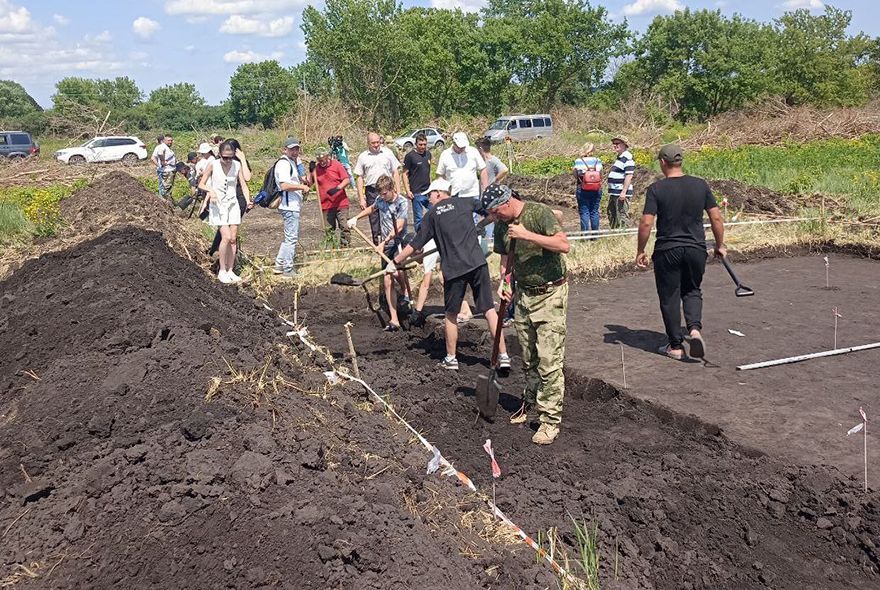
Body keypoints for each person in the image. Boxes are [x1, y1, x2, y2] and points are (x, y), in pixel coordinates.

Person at [392, 178, 510, 371]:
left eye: (430, 195)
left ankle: (451, 359)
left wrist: (395, 261)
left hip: (455, 269)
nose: (429, 199)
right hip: (477, 263)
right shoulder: (466, 202)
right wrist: (483, 224)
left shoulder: (432, 215)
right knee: (489, 310)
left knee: (451, 314)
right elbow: (492, 212)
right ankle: (504, 356)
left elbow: (415, 244)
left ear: (439, 193)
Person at [485, 183, 570, 445]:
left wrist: (527, 235)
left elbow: (563, 244)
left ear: (508, 202)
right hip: (523, 294)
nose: (494, 218)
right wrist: (505, 282)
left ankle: (549, 420)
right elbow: (505, 261)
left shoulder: (538, 213)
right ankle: (530, 401)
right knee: (529, 357)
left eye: (496, 212)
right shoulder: (502, 225)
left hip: (550, 293)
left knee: (549, 360)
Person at [636, 144, 726, 361]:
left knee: (669, 296)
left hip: (668, 250)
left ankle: (675, 346)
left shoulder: (656, 189)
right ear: (680, 161)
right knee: (692, 290)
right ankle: (694, 330)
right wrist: (720, 245)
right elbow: (716, 217)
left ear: (662, 163)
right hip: (696, 249)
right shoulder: (700, 185)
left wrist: (640, 250)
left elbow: (646, 223)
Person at [347, 175, 409, 331]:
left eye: (384, 193)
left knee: (396, 273)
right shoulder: (381, 200)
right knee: (388, 280)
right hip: (387, 246)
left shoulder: (401, 202)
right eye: (380, 194)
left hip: (399, 244)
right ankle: (394, 320)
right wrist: (356, 217)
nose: (382, 197)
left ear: (392, 189)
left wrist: (383, 242)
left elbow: (399, 227)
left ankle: (406, 293)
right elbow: (372, 208)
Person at [198, 141, 250, 284]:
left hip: (232, 203)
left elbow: (244, 185)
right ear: (219, 155)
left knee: (233, 238)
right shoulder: (213, 165)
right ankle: (222, 270)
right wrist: (211, 191)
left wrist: (248, 200)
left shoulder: (237, 165)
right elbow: (201, 184)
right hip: (218, 205)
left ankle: (230, 269)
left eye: (230, 157)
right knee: (225, 237)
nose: (227, 161)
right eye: (225, 157)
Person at [208, 139, 252, 260]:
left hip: (238, 198)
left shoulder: (239, 163)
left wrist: (242, 159)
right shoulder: (219, 164)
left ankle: (229, 256)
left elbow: (247, 179)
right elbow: (211, 182)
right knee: (223, 229)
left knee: (232, 232)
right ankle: (217, 250)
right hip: (223, 198)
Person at [354, 132, 402, 245]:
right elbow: (359, 177)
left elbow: (395, 172)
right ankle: (378, 243)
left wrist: (398, 191)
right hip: (372, 190)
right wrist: (361, 197)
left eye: (377, 142)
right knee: (374, 218)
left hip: (388, 189)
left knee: (391, 215)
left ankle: (392, 242)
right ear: (368, 143)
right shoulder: (363, 156)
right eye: (373, 143)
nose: (376, 145)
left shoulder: (388, 153)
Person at [273, 137, 311, 278]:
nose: (295, 152)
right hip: (289, 205)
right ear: (285, 150)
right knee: (291, 238)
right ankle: (288, 269)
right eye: (292, 149)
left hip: (292, 204)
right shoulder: (283, 164)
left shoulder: (292, 162)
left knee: (289, 237)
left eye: (297, 149)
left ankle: (279, 265)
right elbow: (284, 185)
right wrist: (302, 187)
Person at [314, 147, 352, 247]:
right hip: (326, 204)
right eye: (319, 160)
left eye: (323, 160)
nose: (321, 162)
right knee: (328, 229)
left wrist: (337, 188)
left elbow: (347, 180)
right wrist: (311, 171)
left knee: (344, 226)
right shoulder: (316, 168)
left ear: (327, 157)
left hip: (340, 202)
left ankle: (345, 247)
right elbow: (309, 182)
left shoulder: (336, 164)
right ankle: (331, 248)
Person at [402, 132, 432, 230]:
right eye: (420, 144)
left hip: (428, 191)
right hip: (417, 191)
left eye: (424, 144)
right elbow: (404, 174)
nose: (423, 147)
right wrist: (407, 190)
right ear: (416, 144)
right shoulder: (410, 156)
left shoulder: (428, 154)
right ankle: (419, 239)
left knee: (434, 212)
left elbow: (429, 171)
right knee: (418, 218)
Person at [573, 143, 603, 232]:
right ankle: (595, 235)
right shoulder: (598, 161)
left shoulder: (578, 161)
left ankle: (585, 235)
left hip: (582, 188)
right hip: (596, 189)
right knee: (594, 211)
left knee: (584, 212)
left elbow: (575, 175)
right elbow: (600, 174)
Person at [607, 136, 635, 229]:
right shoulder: (620, 157)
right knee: (612, 213)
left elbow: (629, 175)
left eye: (617, 143)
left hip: (621, 193)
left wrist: (623, 192)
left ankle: (623, 236)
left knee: (622, 214)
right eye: (614, 144)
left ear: (624, 145)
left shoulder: (627, 157)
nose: (615, 145)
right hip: (615, 192)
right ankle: (615, 234)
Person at [151, 134, 176, 200]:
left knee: (164, 187)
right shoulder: (163, 147)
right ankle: (165, 201)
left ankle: (166, 200)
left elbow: (153, 158)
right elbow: (160, 153)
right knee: (166, 188)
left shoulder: (161, 147)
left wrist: (159, 166)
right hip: (167, 171)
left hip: (167, 170)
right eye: (168, 140)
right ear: (164, 140)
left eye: (171, 140)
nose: (170, 142)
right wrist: (162, 161)